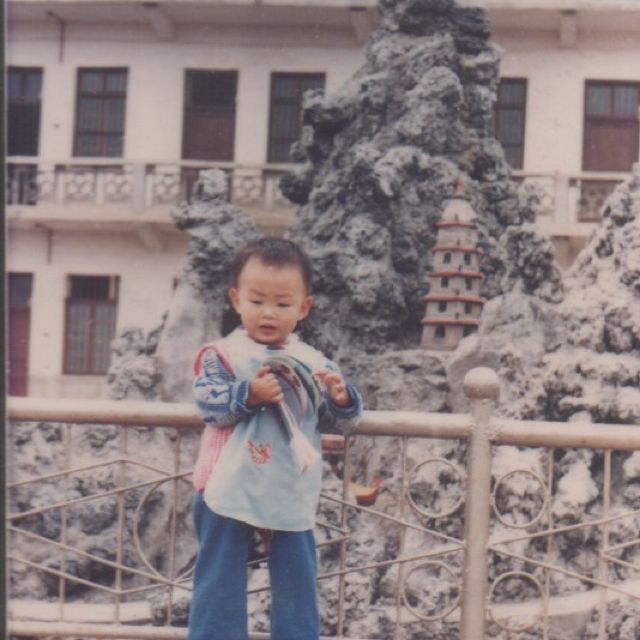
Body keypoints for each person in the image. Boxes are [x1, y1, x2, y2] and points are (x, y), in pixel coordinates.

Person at [187, 238, 362, 640]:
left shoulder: (315, 362)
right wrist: (249, 394)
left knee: (297, 580)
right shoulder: (222, 354)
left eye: (283, 304)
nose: (268, 313)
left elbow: (339, 424)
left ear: (304, 307)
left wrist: (341, 400)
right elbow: (209, 405)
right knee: (219, 581)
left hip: (289, 484)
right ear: (236, 299)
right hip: (226, 483)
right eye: (257, 301)